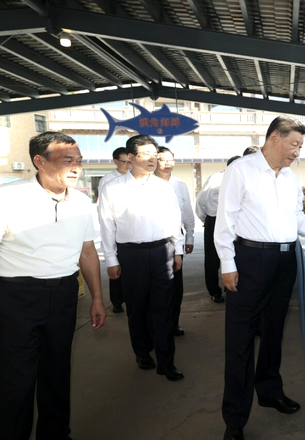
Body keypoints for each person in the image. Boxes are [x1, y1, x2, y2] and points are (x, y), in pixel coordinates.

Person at [214, 117, 305, 440]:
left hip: (284, 260)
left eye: (300, 146)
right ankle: (235, 418)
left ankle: (269, 390)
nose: (297, 152)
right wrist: (228, 262)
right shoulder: (241, 170)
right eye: (293, 144)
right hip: (250, 260)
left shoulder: (291, 177)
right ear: (272, 139)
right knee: (240, 340)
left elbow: (296, 214)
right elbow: (225, 220)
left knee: (273, 331)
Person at [0, 132, 106, 440]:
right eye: (67, 161)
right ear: (39, 161)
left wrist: (98, 299)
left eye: (79, 161)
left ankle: (56, 433)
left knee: (57, 371)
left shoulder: (83, 202)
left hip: (63, 294)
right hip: (14, 297)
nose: (76, 168)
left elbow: (87, 252)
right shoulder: (9, 197)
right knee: (16, 379)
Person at [98, 135, 185, 381]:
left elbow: (174, 219)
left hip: (162, 252)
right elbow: (107, 225)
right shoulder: (113, 187)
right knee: (136, 307)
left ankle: (166, 361)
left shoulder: (163, 187)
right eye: (146, 154)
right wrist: (112, 260)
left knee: (163, 307)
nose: (152, 159)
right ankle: (142, 352)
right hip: (131, 254)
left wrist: (177, 250)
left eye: (154, 154)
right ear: (132, 157)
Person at [195, 149, 258, 304]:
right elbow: (201, 201)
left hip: (237, 222)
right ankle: (214, 291)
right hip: (215, 220)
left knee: (235, 255)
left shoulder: (248, 177)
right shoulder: (216, 178)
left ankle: (231, 285)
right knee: (213, 258)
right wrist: (207, 220)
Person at [155, 146, 195, 337]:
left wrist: (190, 236)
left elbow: (187, 211)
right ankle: (156, 326)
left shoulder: (179, 184)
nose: (168, 163)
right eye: (163, 159)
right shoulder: (147, 184)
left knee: (175, 287)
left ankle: (173, 323)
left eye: (171, 159)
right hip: (153, 239)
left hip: (175, 239)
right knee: (155, 289)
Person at [97, 147, 132, 314]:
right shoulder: (107, 181)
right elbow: (104, 211)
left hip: (131, 231)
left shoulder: (136, 179)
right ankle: (117, 301)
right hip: (116, 231)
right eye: (124, 162)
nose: (127, 165)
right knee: (116, 265)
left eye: (129, 162)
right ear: (115, 161)